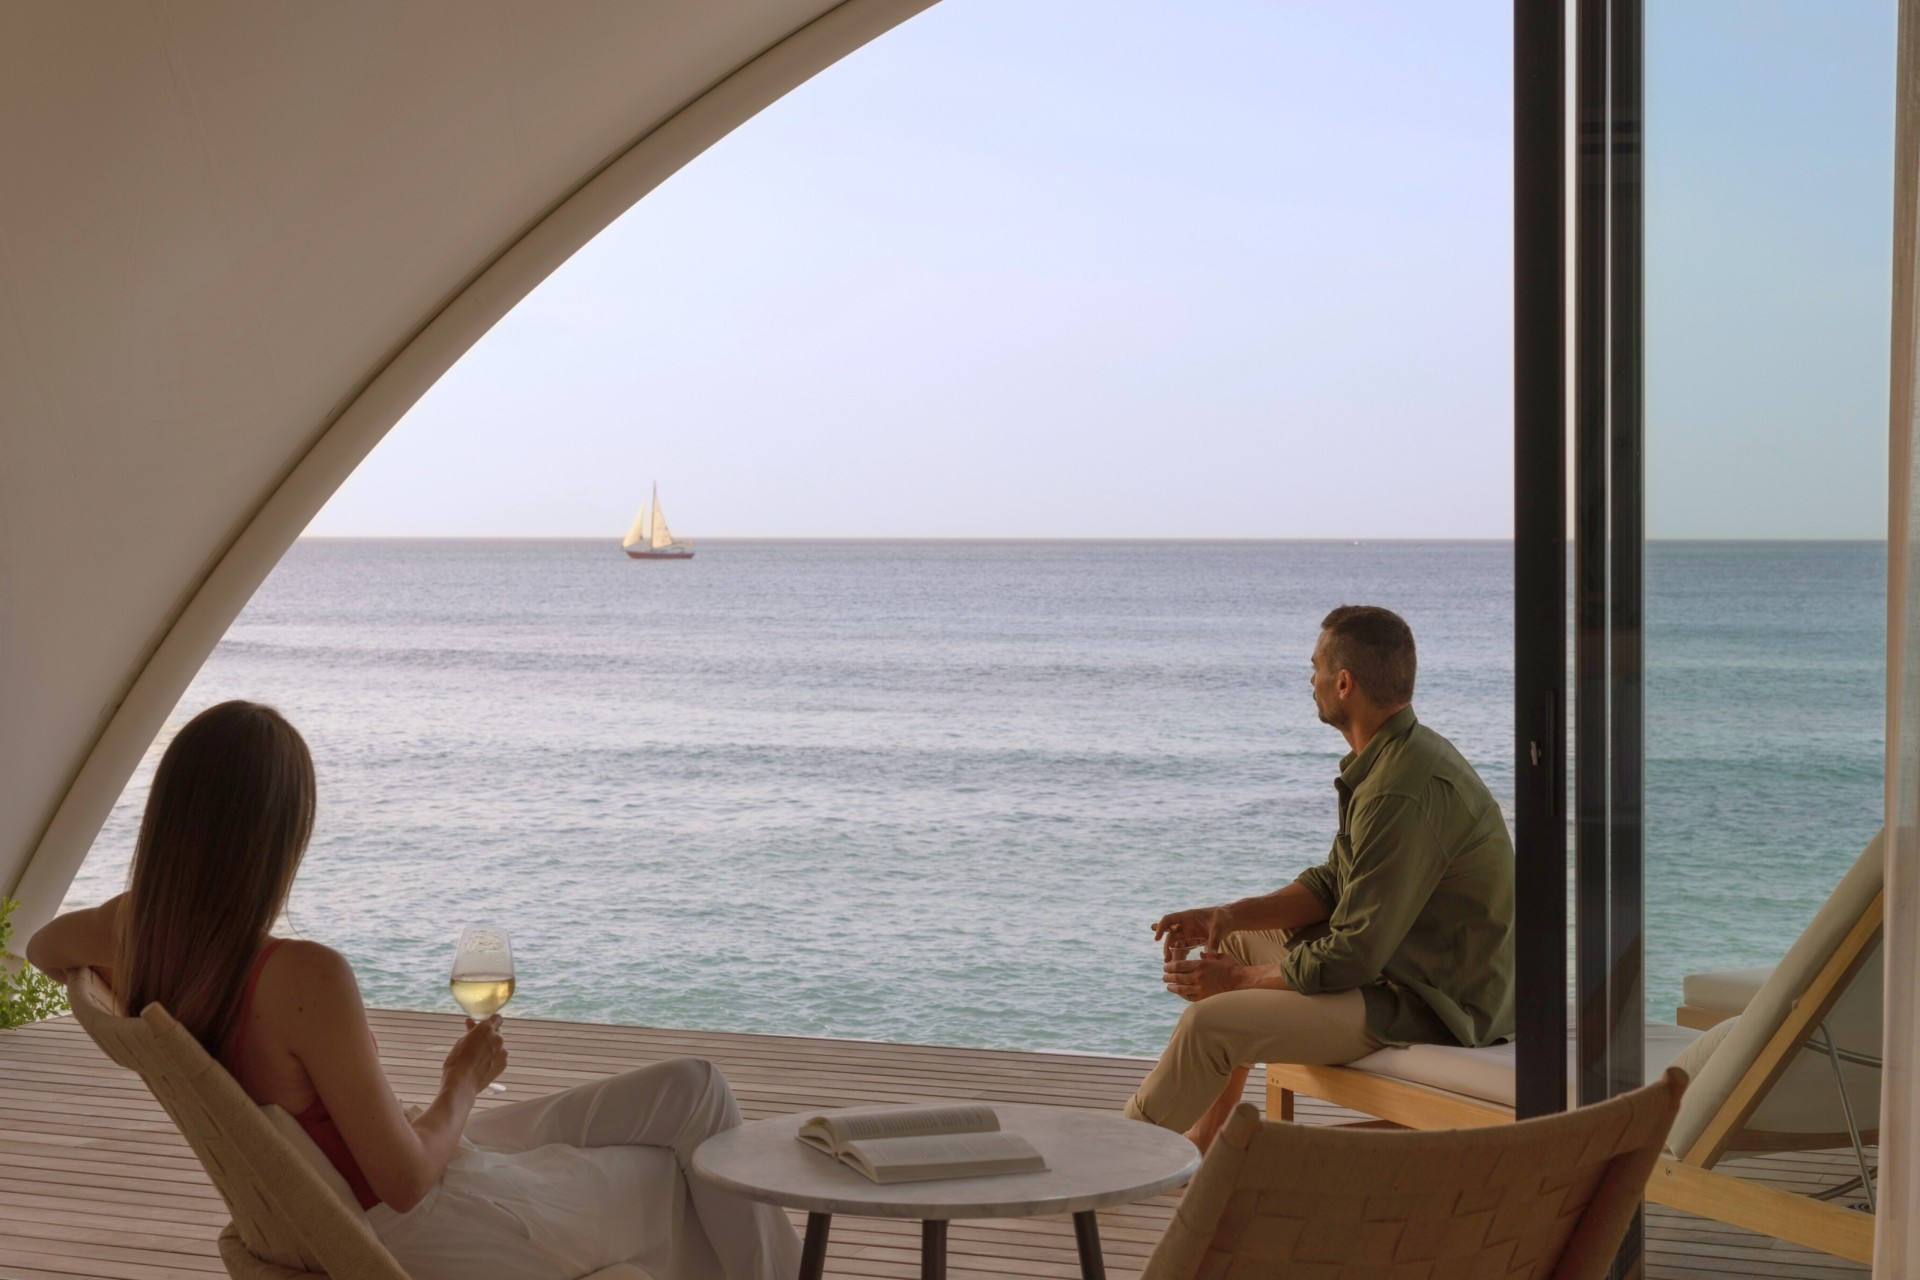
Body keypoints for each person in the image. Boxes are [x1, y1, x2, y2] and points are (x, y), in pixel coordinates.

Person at [29, 700, 800, 1280]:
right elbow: (401, 1182)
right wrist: (462, 1081)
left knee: (691, 1092)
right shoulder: (303, 976)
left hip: (377, 1178)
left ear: (171, 823)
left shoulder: (130, 931)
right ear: (278, 835)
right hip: (423, 1221)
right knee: (685, 1169)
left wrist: (121, 924)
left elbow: (41, 947)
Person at [1124, 605, 1514, 1152]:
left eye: (1316, 668)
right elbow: (1334, 882)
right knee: (1228, 944)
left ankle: (1118, 1151)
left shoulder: (1399, 790)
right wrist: (1227, 915)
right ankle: (1208, 1136)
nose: (1311, 680)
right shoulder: (1394, 757)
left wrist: (1237, 982)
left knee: (1208, 1026)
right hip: (1398, 965)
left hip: (1429, 999)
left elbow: (1353, 956)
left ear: (1345, 682)